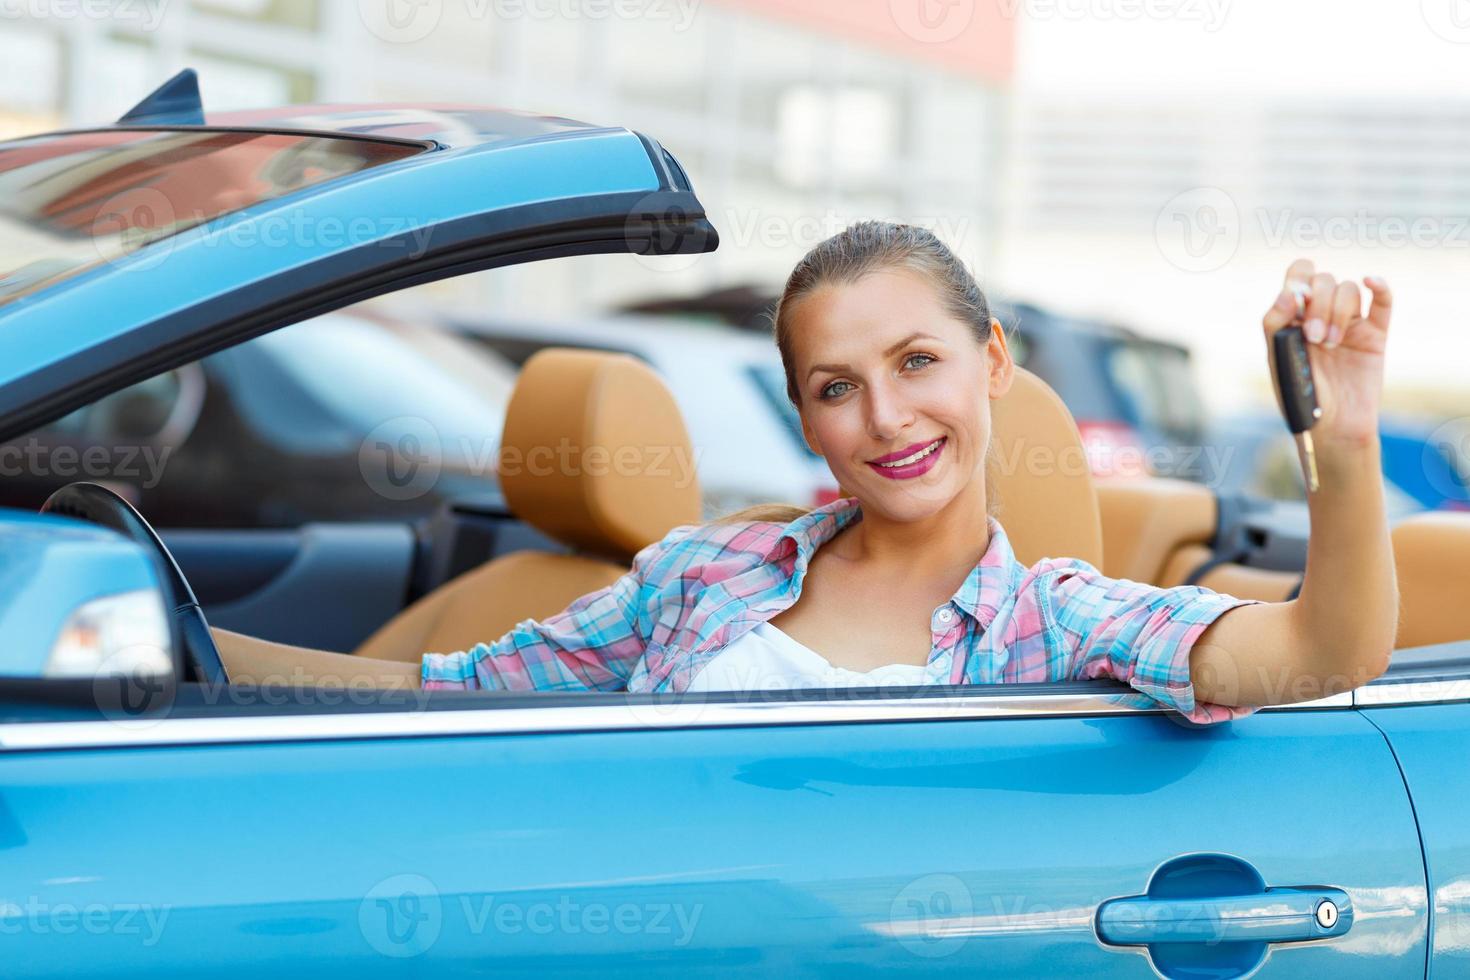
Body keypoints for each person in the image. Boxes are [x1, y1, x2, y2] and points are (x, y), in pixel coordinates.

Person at [414, 221, 1399, 723]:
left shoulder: (1053, 616)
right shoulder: (699, 572)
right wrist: (256, 674)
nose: (886, 417)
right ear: (804, 418)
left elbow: (1328, 648)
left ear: (996, 362)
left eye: (917, 360)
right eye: (837, 387)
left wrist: (1345, 442)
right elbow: (441, 698)